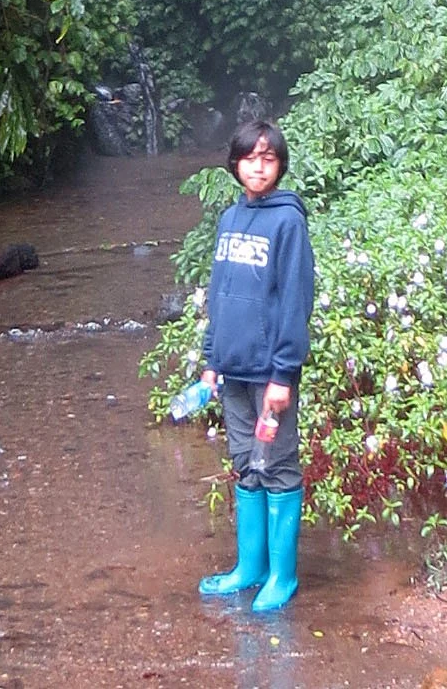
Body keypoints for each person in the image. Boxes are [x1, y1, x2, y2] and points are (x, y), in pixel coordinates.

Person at [196, 118, 314, 612]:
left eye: (268, 158)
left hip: (269, 375)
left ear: (280, 165)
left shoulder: (288, 222)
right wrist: (210, 361)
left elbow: (295, 300)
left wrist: (283, 375)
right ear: (236, 165)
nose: (258, 166)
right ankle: (250, 568)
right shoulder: (229, 219)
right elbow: (220, 295)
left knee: (278, 465)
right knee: (246, 464)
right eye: (250, 158)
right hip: (233, 371)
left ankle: (281, 577)